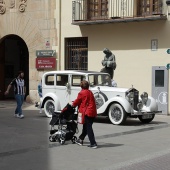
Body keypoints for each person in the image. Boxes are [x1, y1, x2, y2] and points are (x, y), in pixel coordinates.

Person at [72, 80, 98, 149]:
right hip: (92, 112)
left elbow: (77, 101)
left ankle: (93, 143)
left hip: (87, 112)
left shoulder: (81, 93)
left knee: (88, 128)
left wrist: (73, 104)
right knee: (86, 127)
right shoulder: (90, 92)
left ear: (81, 86)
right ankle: (80, 139)